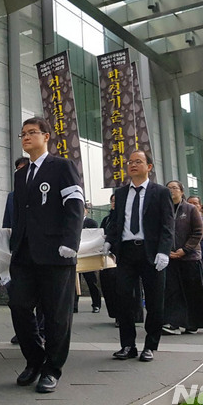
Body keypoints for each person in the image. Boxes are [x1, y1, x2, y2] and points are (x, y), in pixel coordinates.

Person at [8, 116, 84, 393]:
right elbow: (20, 214)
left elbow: (75, 206)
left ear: (46, 136)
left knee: (56, 315)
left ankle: (52, 369)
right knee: (18, 306)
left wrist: (70, 242)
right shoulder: (21, 173)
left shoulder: (62, 167)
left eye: (32, 132)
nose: (26, 137)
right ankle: (35, 360)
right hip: (25, 254)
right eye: (23, 134)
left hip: (56, 253)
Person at [105, 150, 174, 363]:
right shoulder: (121, 193)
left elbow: (167, 225)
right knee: (124, 300)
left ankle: (150, 346)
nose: (133, 165)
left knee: (154, 301)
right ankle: (128, 345)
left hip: (151, 253)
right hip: (126, 253)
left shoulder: (160, 192)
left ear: (149, 167)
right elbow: (116, 221)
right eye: (130, 162)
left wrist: (164, 251)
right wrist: (110, 240)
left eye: (138, 161)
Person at [162, 182, 203, 335]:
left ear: (182, 191)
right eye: (168, 188)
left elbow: (198, 232)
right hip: (170, 258)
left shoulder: (190, 209)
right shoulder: (163, 209)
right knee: (172, 291)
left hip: (190, 257)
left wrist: (184, 250)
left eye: (174, 188)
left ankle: (193, 323)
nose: (171, 191)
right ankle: (174, 323)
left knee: (193, 291)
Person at [3, 157, 44, 345]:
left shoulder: (42, 189)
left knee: (42, 294)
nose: (21, 172)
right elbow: (7, 223)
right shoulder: (12, 196)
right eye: (18, 169)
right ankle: (25, 331)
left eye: (25, 168)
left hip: (41, 248)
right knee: (18, 297)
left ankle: (41, 329)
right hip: (20, 249)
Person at [99, 194, 144, 326]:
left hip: (125, 256)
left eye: (116, 201)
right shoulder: (107, 219)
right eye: (112, 201)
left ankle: (133, 315)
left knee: (130, 287)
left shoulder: (126, 217)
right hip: (109, 258)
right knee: (111, 287)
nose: (114, 204)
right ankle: (118, 314)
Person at [75, 204, 102, 313]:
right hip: (76, 256)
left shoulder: (91, 223)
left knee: (92, 282)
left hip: (88, 256)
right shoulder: (73, 221)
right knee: (74, 284)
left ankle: (96, 304)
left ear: (86, 210)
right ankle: (74, 306)